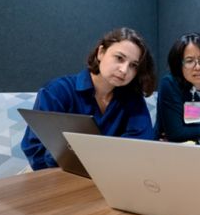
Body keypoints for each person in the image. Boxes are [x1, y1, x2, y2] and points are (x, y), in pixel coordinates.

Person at [21, 27, 157, 170]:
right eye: (119, 58)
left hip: (110, 174)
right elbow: (35, 150)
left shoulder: (133, 99)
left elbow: (141, 145)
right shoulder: (57, 91)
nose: (124, 70)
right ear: (101, 52)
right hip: (54, 174)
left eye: (133, 65)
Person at [156, 32, 200, 142]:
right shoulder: (169, 84)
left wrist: (193, 131)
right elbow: (176, 133)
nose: (198, 67)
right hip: (173, 149)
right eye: (189, 61)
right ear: (178, 65)